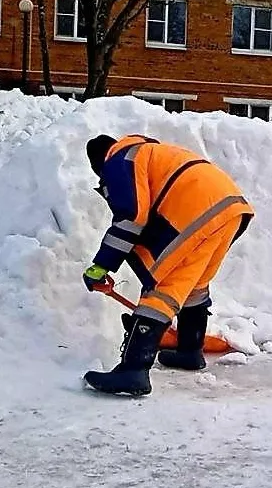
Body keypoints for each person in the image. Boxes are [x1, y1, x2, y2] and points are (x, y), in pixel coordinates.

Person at [81, 134, 254, 396]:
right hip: (230, 208)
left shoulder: (118, 161)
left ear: (99, 163)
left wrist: (101, 265)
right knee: (193, 284)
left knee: (162, 288)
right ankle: (189, 351)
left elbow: (131, 219)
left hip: (196, 209)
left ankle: (133, 370)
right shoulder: (147, 153)